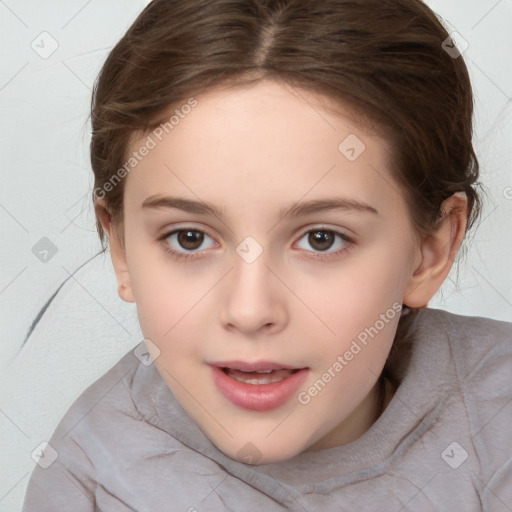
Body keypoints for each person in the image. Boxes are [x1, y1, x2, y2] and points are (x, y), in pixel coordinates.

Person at [22, 0, 512, 510]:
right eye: (189, 238)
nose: (250, 310)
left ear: (429, 251)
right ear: (122, 250)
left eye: (322, 239)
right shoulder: (90, 482)